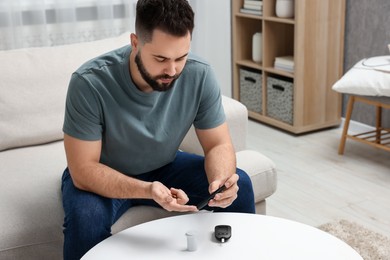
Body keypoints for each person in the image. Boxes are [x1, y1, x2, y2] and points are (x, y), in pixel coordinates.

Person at [61, 0, 255, 259]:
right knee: (85, 218)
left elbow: (218, 144)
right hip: (104, 173)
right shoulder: (89, 83)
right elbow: (83, 171)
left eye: (181, 57)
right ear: (135, 43)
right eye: (161, 58)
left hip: (164, 166)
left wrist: (220, 183)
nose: (172, 70)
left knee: (240, 184)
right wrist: (146, 189)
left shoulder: (200, 74)